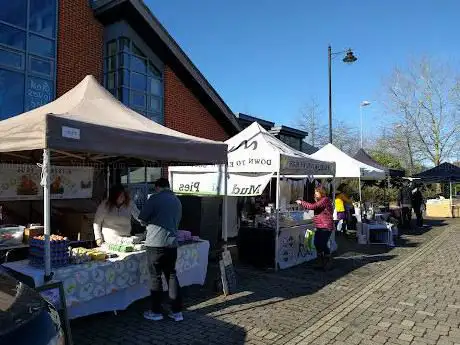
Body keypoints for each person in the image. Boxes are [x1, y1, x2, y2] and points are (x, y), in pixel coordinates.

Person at [139, 178, 183, 322]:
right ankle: (177, 312)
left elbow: (142, 218)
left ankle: (156, 311)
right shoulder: (177, 201)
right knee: (171, 275)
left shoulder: (154, 198)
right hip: (172, 244)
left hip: (155, 244)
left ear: (157, 187)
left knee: (155, 276)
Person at [296, 187, 334, 270]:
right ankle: (320, 262)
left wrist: (301, 202)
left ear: (322, 192)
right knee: (317, 243)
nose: (315, 193)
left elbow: (313, 206)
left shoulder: (325, 200)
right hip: (319, 226)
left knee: (322, 244)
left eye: (317, 192)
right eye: (315, 192)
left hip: (326, 226)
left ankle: (328, 261)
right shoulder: (320, 200)